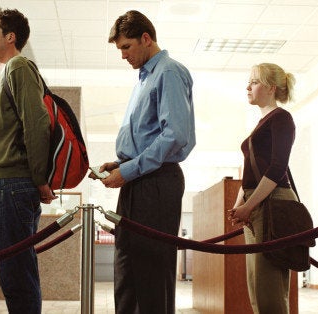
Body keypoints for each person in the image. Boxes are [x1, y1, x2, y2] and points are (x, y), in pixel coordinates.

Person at [97, 10, 196, 314]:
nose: (123, 55)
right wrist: (119, 164)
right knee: (128, 272)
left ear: (146, 38)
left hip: (156, 182)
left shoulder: (168, 71)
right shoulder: (145, 78)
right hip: (138, 180)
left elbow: (176, 136)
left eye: (127, 47)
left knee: (150, 274)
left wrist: (128, 170)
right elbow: (146, 136)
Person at [0, 8, 56, 313]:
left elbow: (37, 123)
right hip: (7, 185)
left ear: (9, 37)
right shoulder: (11, 70)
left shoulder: (19, 67)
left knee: (17, 275)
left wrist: (40, 178)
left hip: (13, 185)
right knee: (14, 273)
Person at [228, 63, 297, 313]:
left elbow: (277, 169)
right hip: (257, 202)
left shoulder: (282, 118)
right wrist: (240, 203)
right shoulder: (263, 122)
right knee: (256, 285)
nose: (248, 87)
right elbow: (250, 172)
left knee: (269, 288)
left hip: (271, 201)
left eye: (254, 82)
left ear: (270, 88)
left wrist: (249, 204)